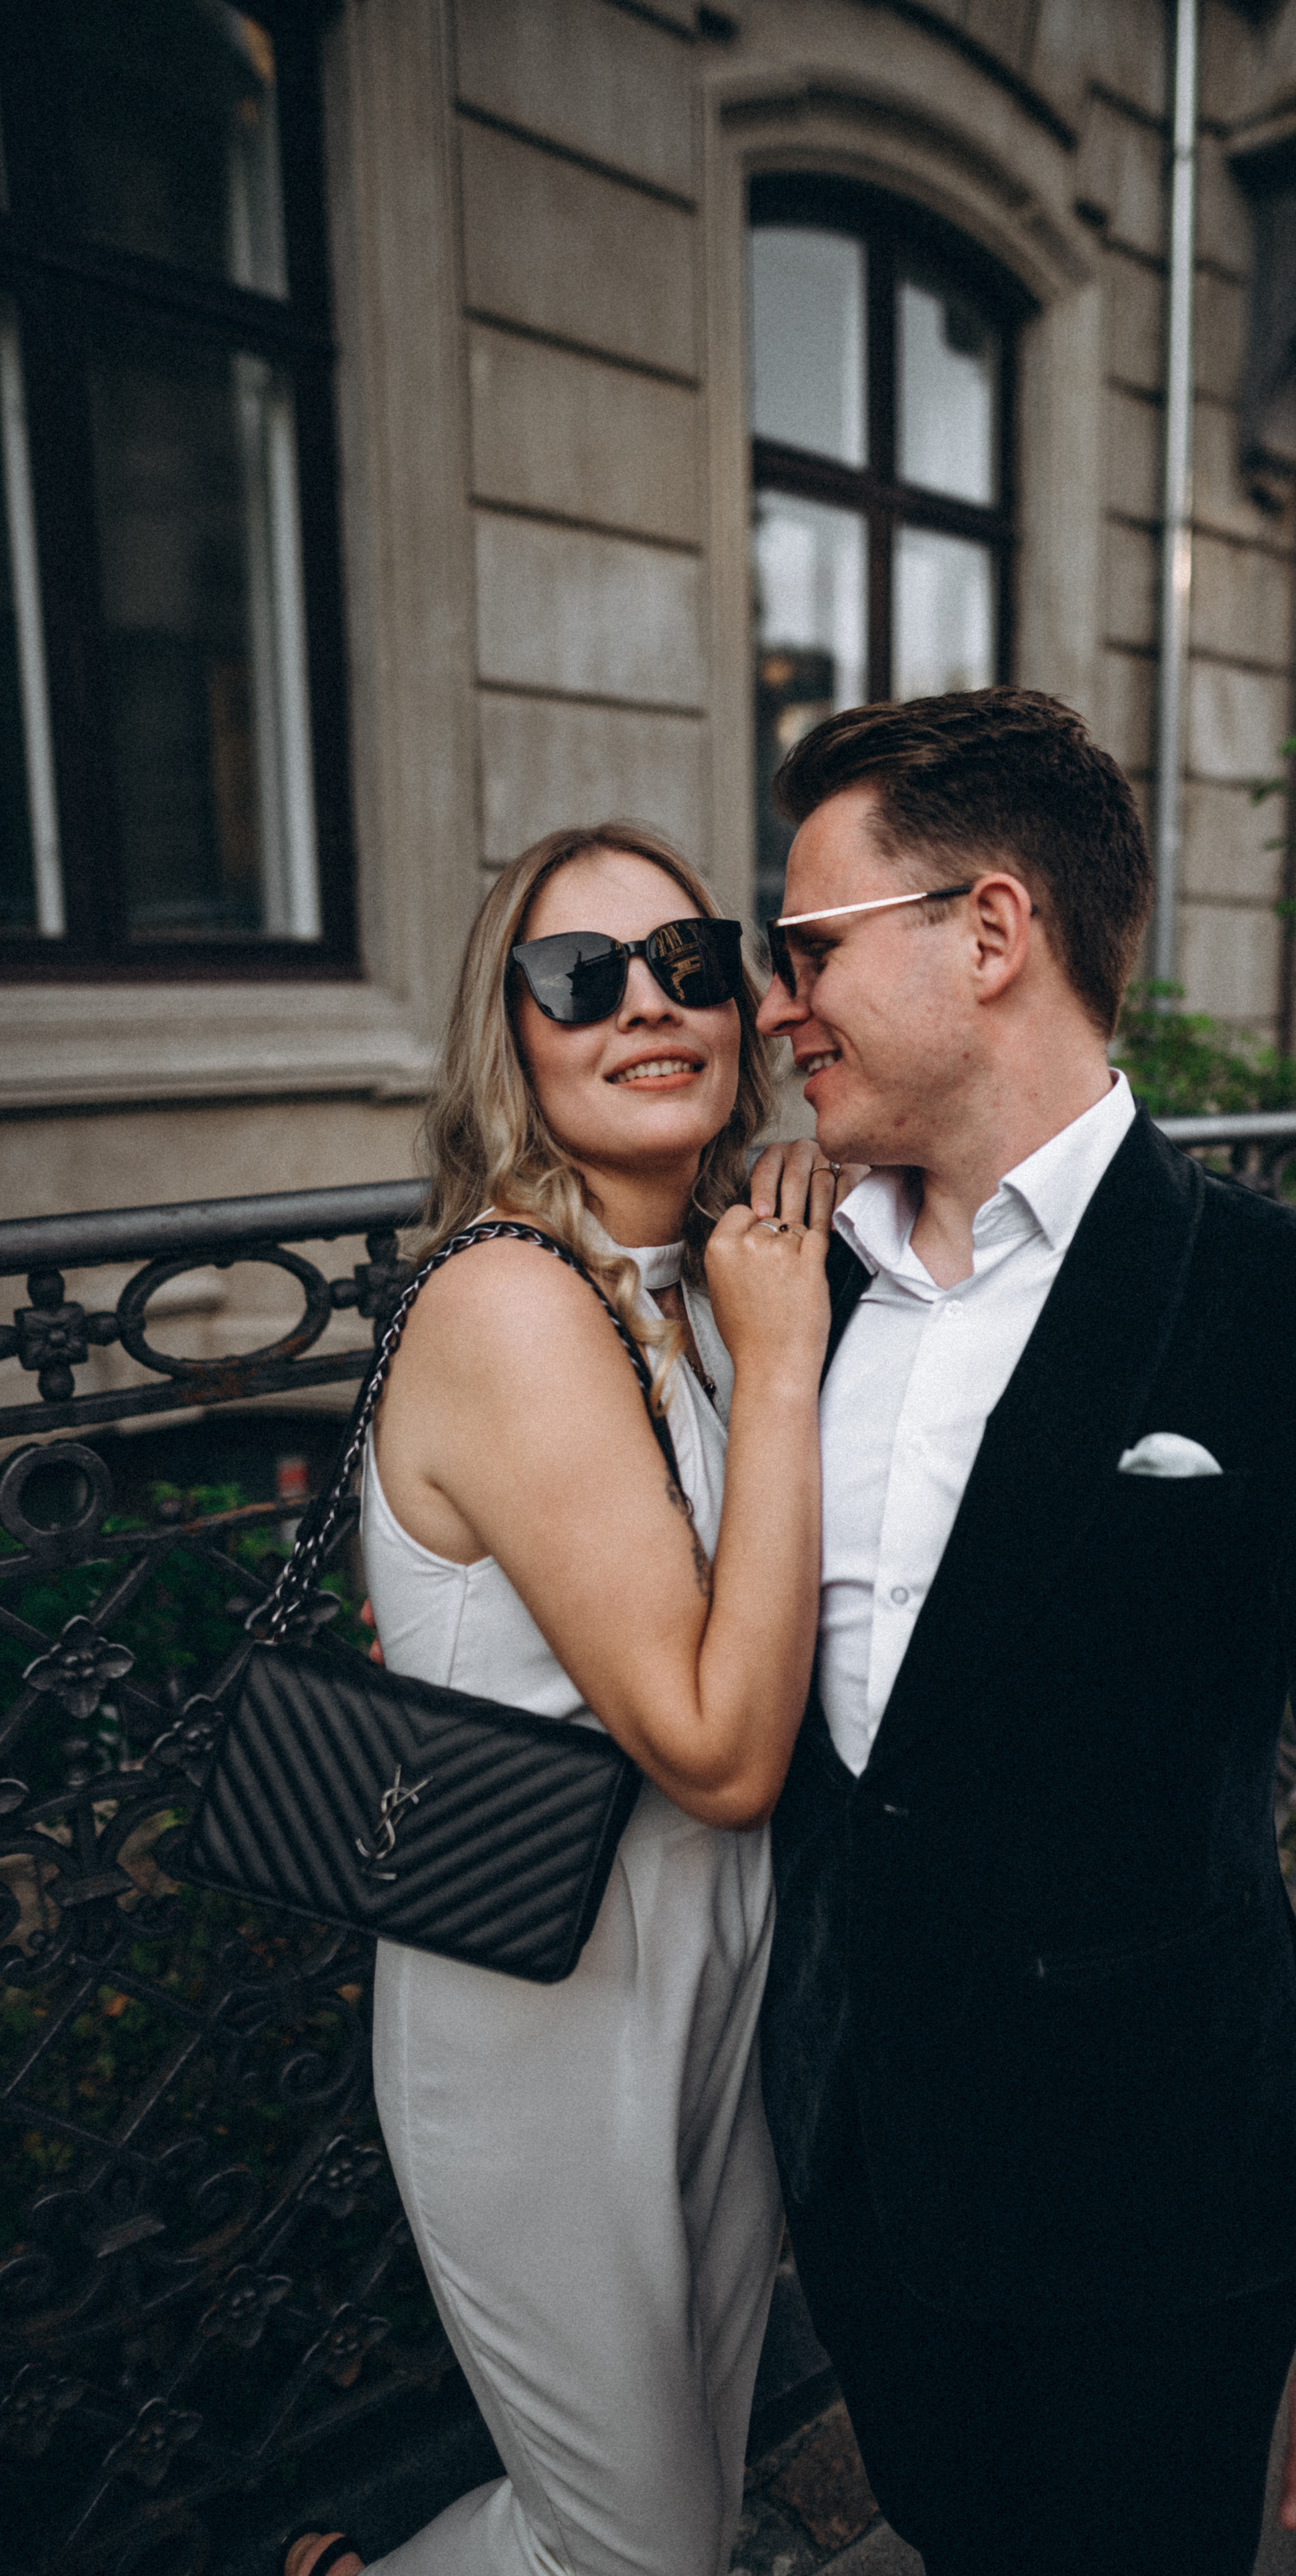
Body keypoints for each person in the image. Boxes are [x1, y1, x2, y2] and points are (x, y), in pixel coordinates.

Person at [749, 688, 1296, 2575]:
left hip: (1155, 2218)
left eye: (807, 948)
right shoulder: (783, 1297)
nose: (776, 1004)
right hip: (867, 2180)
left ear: (991, 933)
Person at [286, 824, 832, 2576]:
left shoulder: (708, 1277)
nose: (647, 1008)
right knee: (645, 2551)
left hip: (709, 1966)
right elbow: (719, 1748)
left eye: (689, 962)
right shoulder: (516, 1303)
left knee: (692, 2500)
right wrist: (793, 1367)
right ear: (507, 1033)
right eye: (578, 978)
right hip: (533, 2014)